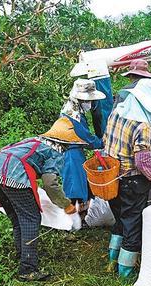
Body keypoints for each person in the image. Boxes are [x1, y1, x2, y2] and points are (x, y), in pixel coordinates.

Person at [0, 117, 82, 281]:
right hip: (13, 176)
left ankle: (22, 255)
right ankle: (27, 270)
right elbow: (50, 183)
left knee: (17, 217)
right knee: (31, 218)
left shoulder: (36, 140)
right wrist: (66, 205)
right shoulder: (56, 151)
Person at [102, 78, 151, 278]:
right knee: (133, 225)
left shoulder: (117, 112)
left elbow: (105, 141)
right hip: (132, 181)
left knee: (120, 221)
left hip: (112, 177)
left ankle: (112, 260)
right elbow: (142, 162)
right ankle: (125, 271)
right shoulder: (142, 125)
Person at [59, 79, 105, 214]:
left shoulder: (73, 107)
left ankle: (79, 213)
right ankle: (73, 215)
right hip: (71, 151)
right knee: (74, 184)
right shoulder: (73, 113)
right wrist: (100, 143)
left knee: (77, 181)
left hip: (74, 148)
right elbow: (84, 135)